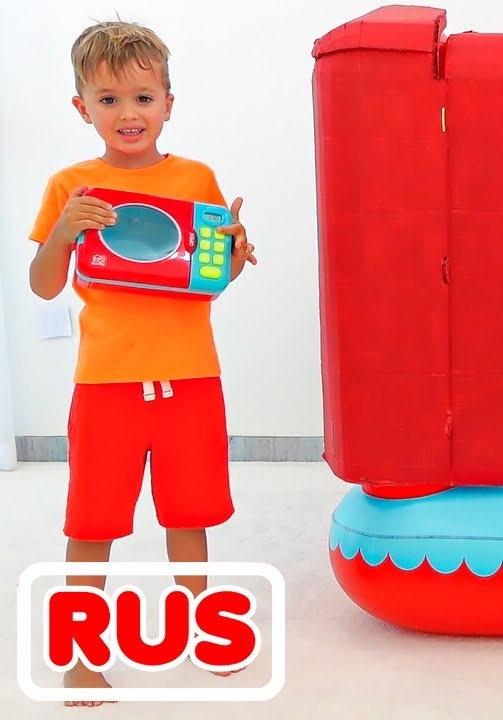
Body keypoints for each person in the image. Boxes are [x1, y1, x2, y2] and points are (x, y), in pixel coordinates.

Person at [26, 20, 258, 706]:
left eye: (143, 98)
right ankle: (80, 656)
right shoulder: (71, 185)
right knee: (91, 521)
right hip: (106, 383)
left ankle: (205, 630)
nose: (128, 113)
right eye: (108, 99)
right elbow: (43, 285)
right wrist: (65, 230)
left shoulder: (196, 178)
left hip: (191, 377)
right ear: (82, 107)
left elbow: (207, 281)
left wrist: (235, 255)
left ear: (168, 103)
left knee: (190, 514)